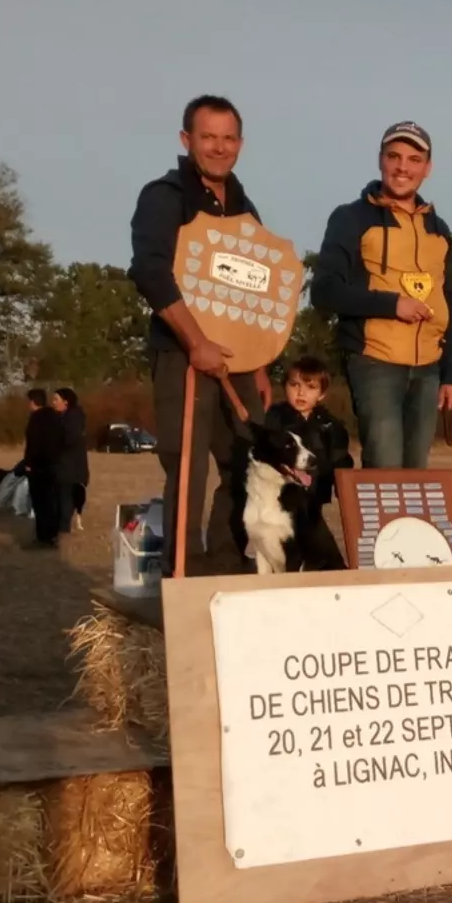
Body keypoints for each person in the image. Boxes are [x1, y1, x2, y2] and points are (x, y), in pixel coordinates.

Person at [128, 94, 271, 578]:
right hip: (182, 354)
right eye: (208, 137)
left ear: (241, 143)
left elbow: (259, 288)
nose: (219, 147)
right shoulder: (164, 196)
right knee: (187, 470)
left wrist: (262, 362)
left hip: (240, 361)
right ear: (187, 139)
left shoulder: (245, 205)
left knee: (249, 463)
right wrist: (196, 343)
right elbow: (149, 272)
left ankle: (227, 569)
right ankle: (185, 578)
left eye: (228, 138)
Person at [310, 121, 452, 470]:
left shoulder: (439, 230)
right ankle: (377, 527)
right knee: (384, 470)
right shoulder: (351, 217)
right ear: (380, 160)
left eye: (413, 158)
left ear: (428, 168)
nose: (402, 167)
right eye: (394, 156)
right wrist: (392, 305)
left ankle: (406, 527)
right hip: (374, 361)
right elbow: (324, 290)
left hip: (428, 370)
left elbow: (450, 303)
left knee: (416, 474)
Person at [264, 355, 353, 568]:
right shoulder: (274, 419)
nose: (301, 393)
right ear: (285, 386)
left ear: (321, 394)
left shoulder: (330, 426)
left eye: (310, 387)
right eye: (294, 385)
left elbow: (340, 460)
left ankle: (332, 575)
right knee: (284, 547)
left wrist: (344, 488)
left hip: (313, 500)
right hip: (278, 498)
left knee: (319, 547)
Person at [15, 388, 62, 549]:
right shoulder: (55, 417)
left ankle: (43, 538)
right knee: (51, 501)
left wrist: (29, 464)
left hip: (38, 467)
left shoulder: (36, 419)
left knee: (40, 504)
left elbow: (33, 445)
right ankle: (53, 536)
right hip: (54, 465)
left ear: (33, 402)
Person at [51, 387, 89, 536]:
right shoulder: (68, 417)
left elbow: (70, 440)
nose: (53, 403)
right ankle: (61, 526)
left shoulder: (72, 418)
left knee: (65, 497)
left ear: (66, 402)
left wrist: (54, 445)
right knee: (63, 497)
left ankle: (63, 529)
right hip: (68, 465)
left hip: (69, 467)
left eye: (56, 400)